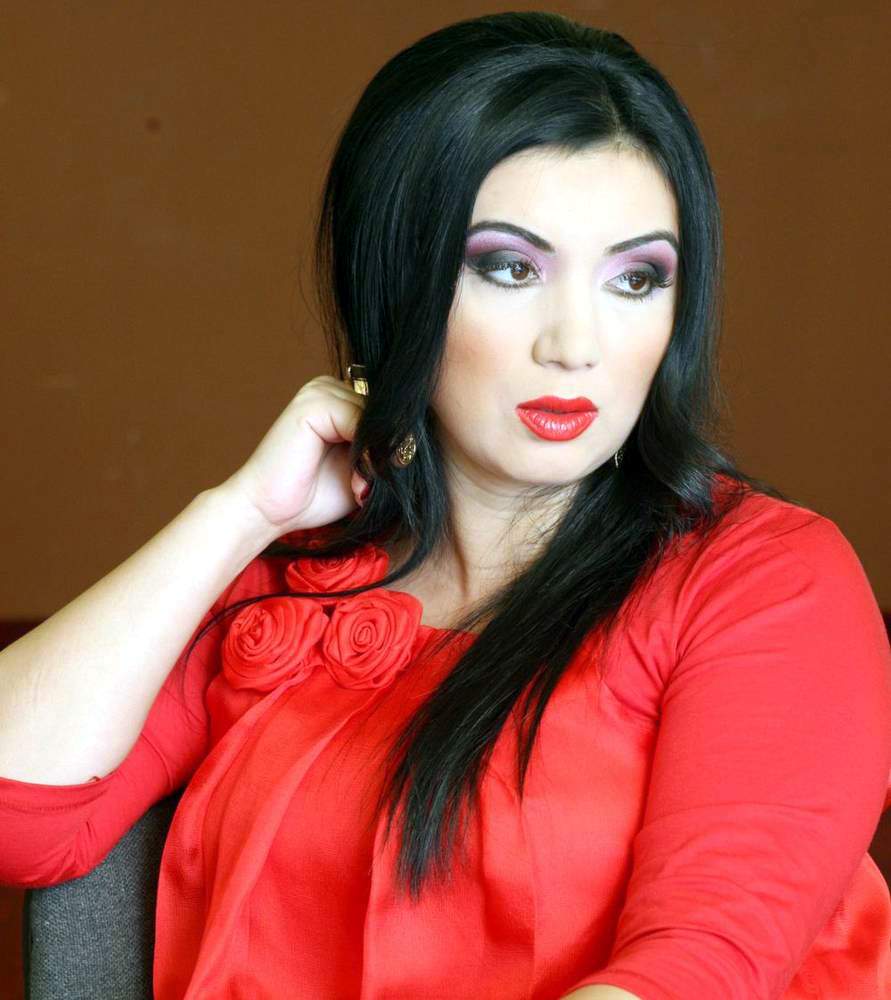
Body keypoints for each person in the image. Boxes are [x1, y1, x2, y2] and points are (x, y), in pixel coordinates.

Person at [1, 11, 889, 1000]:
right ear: (399, 284)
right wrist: (241, 510)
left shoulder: (764, 579)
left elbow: (699, 970)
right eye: (511, 268)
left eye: (637, 278)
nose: (576, 345)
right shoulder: (289, 582)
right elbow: (18, 817)